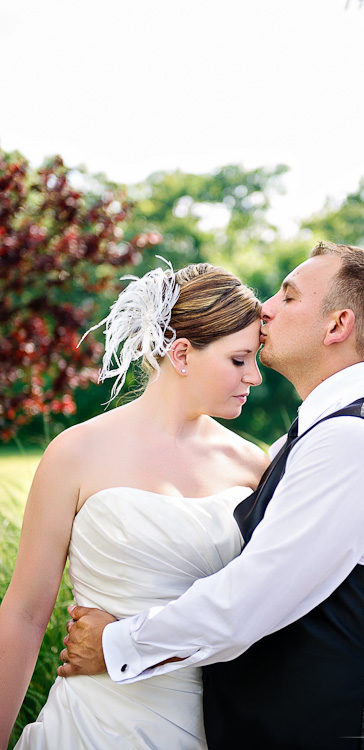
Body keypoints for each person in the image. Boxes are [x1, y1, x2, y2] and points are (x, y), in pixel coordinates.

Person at [60, 241, 364, 749]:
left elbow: (249, 599)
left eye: (288, 296)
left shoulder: (353, 442)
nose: (265, 307)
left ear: (337, 326)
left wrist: (115, 644)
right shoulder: (311, 437)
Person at [0, 260, 268, 750]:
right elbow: (24, 613)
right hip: (89, 725)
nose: (254, 376)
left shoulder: (253, 465)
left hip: (214, 724)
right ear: (182, 353)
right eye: (239, 359)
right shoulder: (76, 452)